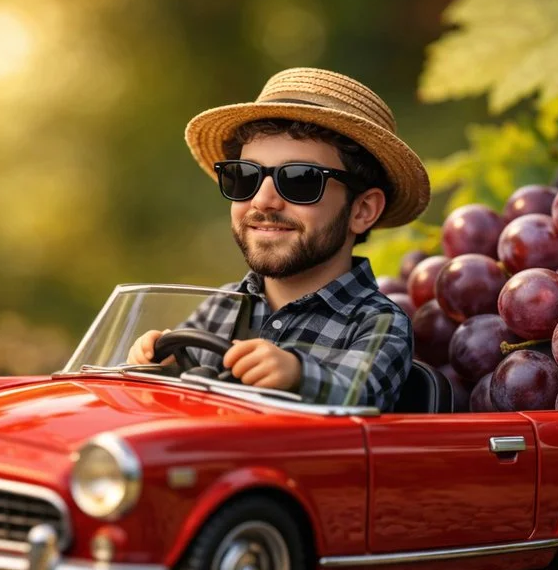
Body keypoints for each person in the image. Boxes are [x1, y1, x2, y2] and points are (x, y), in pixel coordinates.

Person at [127, 67, 430, 411]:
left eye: (300, 179)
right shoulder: (220, 306)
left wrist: (299, 375)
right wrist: (158, 363)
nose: (262, 201)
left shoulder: (378, 321)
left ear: (362, 210)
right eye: (245, 177)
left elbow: (362, 393)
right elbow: (174, 398)